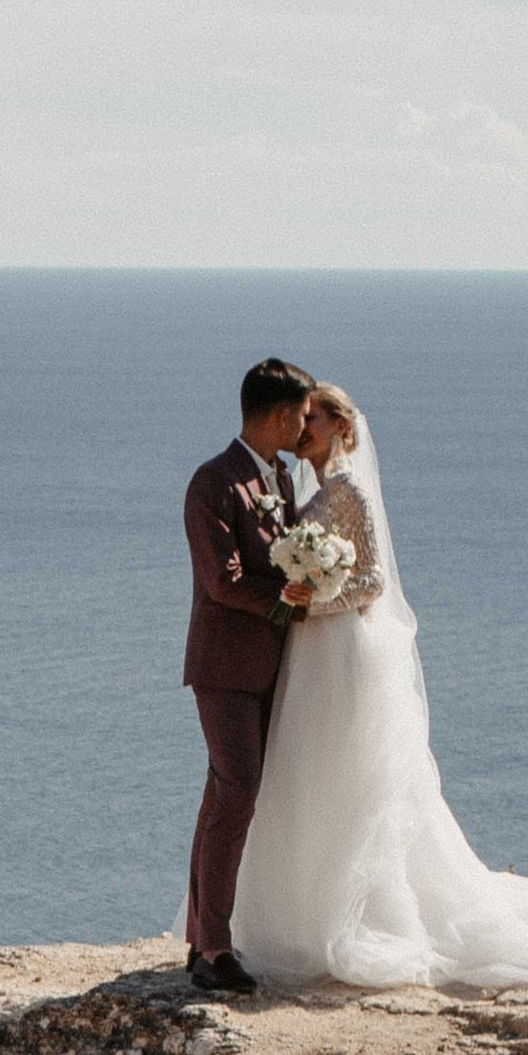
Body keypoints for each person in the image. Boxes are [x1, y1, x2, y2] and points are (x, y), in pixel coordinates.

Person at [228, 383, 528, 987]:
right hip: (312, 653)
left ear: (341, 426)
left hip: (340, 648)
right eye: (300, 417)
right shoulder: (309, 488)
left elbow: (371, 581)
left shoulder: (348, 489)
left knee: (347, 780)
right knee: (309, 775)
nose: (302, 428)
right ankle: (301, 917)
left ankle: (358, 917)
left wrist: (313, 602)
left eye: (312, 418)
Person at [177, 356, 316, 995]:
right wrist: (285, 595)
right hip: (224, 667)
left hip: (269, 665)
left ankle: (200, 940)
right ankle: (216, 950)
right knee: (237, 792)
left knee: (221, 794)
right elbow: (222, 582)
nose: (305, 426)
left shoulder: (282, 480)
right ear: (279, 414)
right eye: (302, 415)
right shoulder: (213, 483)